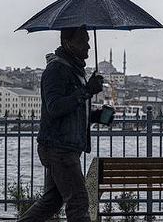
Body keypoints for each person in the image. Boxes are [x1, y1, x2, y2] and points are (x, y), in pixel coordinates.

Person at [19, 26, 110, 221]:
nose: (88, 46)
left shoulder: (74, 70)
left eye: (87, 40)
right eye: (82, 41)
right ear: (67, 43)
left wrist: (100, 116)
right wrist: (87, 91)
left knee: (52, 200)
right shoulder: (56, 70)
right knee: (78, 201)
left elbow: (74, 110)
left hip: (64, 146)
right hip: (58, 148)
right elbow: (55, 107)